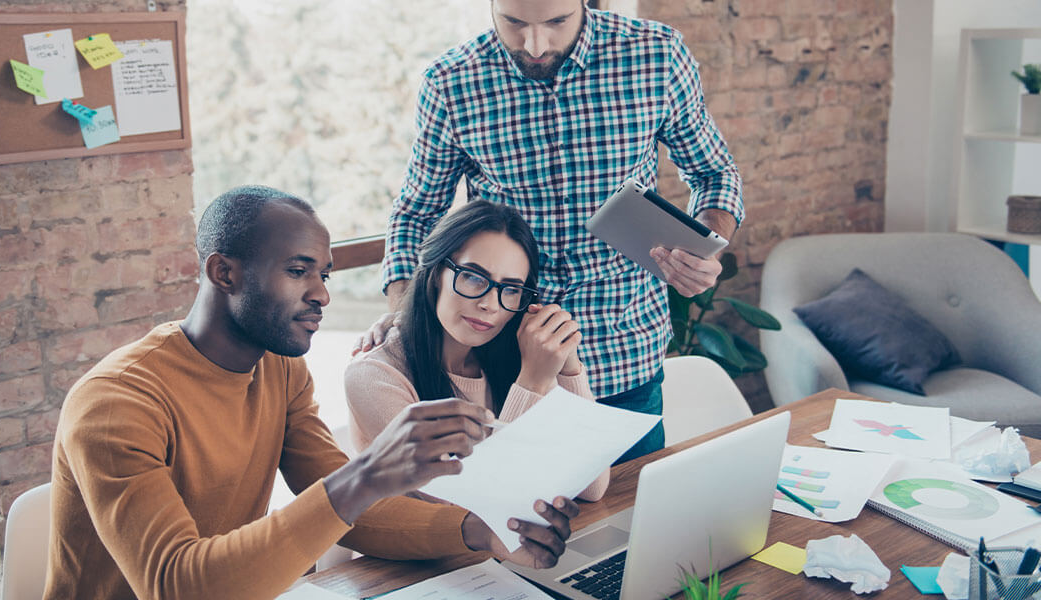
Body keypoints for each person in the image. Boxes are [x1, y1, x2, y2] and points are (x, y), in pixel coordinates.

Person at [44, 185, 579, 600]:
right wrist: (364, 476)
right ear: (223, 272)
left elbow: (356, 510)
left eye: (324, 274)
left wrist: (480, 531)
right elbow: (178, 585)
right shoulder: (116, 403)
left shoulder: (279, 369)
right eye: (298, 271)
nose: (322, 294)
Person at [355, 0, 744, 463]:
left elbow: (714, 172)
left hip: (627, 357)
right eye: (514, 23)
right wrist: (405, 316)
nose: (535, 45)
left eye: (556, 22)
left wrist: (705, 246)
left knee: (623, 520)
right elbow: (416, 212)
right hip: (508, 369)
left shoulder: (656, 55)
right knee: (511, 520)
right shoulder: (451, 82)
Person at [346, 201, 609, 501]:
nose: (491, 305)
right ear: (435, 274)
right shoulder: (374, 376)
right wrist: (532, 383)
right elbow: (471, 506)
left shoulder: (513, 356)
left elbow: (592, 487)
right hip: (429, 547)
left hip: (515, 546)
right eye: (472, 277)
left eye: (510, 289)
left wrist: (569, 368)